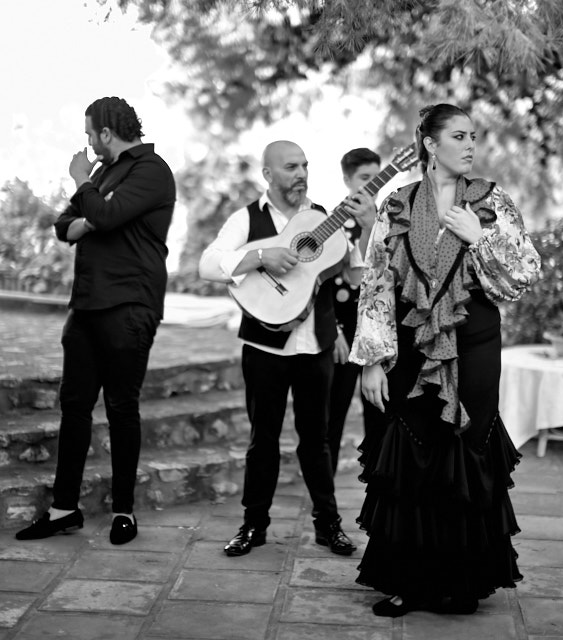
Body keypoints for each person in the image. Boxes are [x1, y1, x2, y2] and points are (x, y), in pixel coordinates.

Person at [349, 104, 541, 616]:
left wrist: (481, 238)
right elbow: (376, 282)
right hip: (412, 346)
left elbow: (523, 274)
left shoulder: (491, 200)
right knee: (416, 453)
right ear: (430, 145)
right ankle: (408, 582)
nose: (471, 145)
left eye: (474, 136)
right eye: (459, 136)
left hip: (475, 343)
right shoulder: (398, 202)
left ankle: (462, 581)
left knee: (467, 451)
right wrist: (371, 360)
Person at [198, 140, 375, 557]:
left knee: (318, 441)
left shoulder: (325, 220)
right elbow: (208, 264)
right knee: (263, 439)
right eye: (291, 166)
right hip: (263, 347)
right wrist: (261, 255)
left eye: (305, 166)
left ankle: (327, 525)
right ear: (268, 174)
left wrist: (367, 229)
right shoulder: (246, 218)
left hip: (316, 345)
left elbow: (355, 278)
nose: (300, 173)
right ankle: (253, 525)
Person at [16, 97, 176, 545]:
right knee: (74, 407)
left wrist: (85, 187)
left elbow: (103, 214)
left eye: (90, 133)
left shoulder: (152, 169)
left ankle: (124, 511)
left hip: (130, 304)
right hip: (85, 306)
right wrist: (92, 211)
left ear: (107, 132)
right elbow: (65, 225)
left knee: (122, 408)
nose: (87, 142)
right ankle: (64, 509)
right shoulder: (103, 176)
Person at [328, 148, 386, 474]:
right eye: (365, 178)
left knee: (379, 409)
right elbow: (320, 282)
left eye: (377, 177)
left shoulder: (388, 220)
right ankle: (325, 489)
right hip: (344, 327)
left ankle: (379, 479)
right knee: (333, 412)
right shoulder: (330, 222)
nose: (372, 184)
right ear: (347, 179)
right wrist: (334, 329)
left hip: (377, 330)